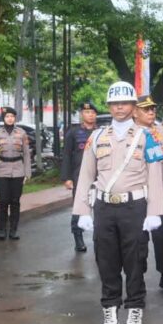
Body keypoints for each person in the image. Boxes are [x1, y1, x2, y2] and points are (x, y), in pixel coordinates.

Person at [73, 81, 163, 324]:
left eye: (124, 103)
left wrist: (155, 211)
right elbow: (85, 175)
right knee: (106, 261)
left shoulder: (148, 136)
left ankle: (134, 316)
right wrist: (83, 211)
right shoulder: (97, 137)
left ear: (134, 107)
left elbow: (155, 175)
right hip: (104, 207)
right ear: (109, 106)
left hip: (135, 207)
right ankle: (110, 318)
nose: (119, 107)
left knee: (136, 261)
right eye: (114, 103)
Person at [134, 95, 163, 294]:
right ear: (135, 112)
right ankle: (138, 279)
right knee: (138, 241)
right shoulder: (129, 135)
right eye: (146, 109)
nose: (151, 112)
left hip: (161, 197)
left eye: (153, 109)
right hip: (136, 198)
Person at [61, 101, 98, 252]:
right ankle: (78, 238)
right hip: (79, 175)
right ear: (82, 115)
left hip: (99, 175)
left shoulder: (100, 132)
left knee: (100, 208)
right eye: (87, 112)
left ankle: (100, 238)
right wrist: (67, 177)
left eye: (92, 112)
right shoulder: (74, 133)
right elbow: (67, 156)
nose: (90, 115)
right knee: (80, 206)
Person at [0, 107, 31, 240]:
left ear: (15, 118)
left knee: (15, 201)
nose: (10, 118)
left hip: (18, 170)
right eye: (7, 116)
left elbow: (26, 154)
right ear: (3, 118)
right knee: (3, 201)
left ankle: (14, 230)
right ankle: (1, 229)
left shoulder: (22, 133)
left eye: (12, 116)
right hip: (1, 170)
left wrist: (27, 173)